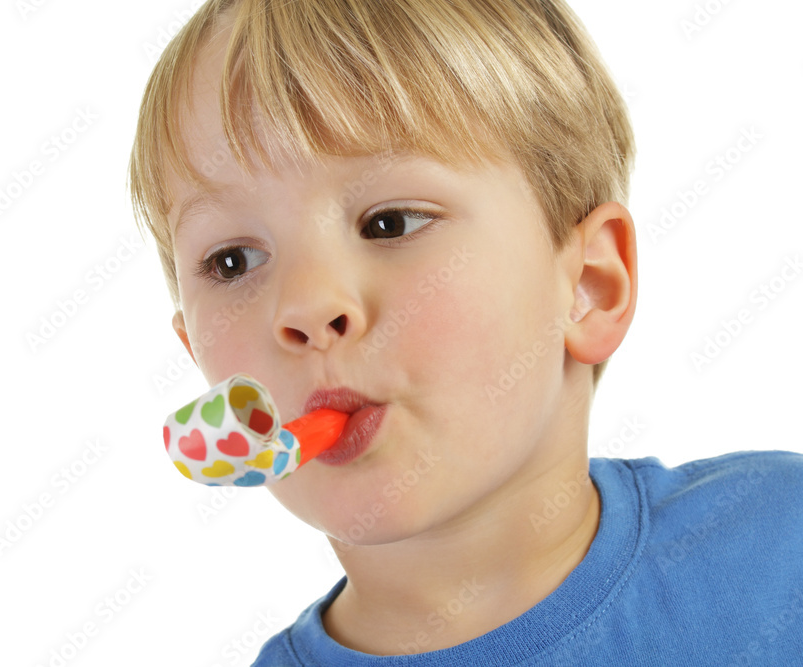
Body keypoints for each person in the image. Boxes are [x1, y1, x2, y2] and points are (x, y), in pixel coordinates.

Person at [129, 0, 803, 663]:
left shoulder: (782, 546)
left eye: (390, 222)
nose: (304, 308)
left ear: (589, 286)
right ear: (196, 353)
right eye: (233, 262)